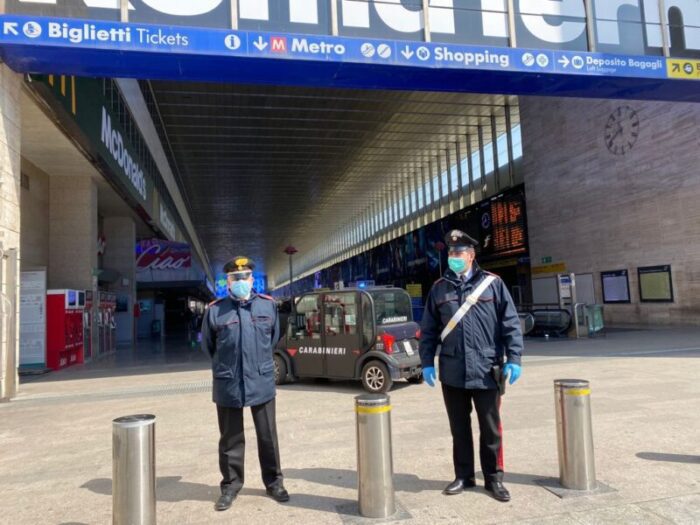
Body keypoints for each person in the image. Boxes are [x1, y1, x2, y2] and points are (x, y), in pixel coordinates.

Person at [418, 230, 523, 502]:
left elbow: (510, 323)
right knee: (459, 428)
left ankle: (494, 478)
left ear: (472, 255)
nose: (454, 257)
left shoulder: (493, 284)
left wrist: (514, 358)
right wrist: (427, 362)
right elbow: (429, 329)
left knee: (490, 429)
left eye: (459, 253)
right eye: (451, 253)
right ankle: (464, 476)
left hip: (487, 370)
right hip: (453, 371)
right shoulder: (439, 288)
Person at [201, 256, 289, 511]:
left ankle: (274, 483)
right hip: (228, 382)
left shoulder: (267, 307)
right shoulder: (215, 310)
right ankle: (230, 486)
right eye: (234, 278)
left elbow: (273, 339)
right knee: (230, 439)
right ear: (227, 282)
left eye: (244, 277)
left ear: (252, 279)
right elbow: (209, 347)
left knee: (268, 436)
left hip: (261, 380)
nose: (240, 281)